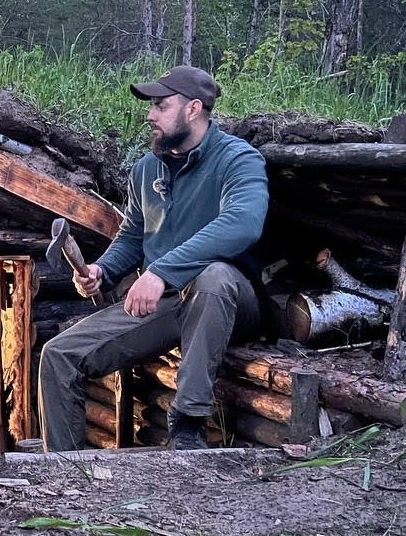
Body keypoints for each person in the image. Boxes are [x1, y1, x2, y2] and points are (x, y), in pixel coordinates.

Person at [37, 65, 269, 451]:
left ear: (193, 109)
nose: (150, 115)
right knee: (58, 355)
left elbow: (242, 224)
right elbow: (132, 236)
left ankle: (189, 424)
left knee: (212, 277)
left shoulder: (239, 159)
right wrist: (103, 270)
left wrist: (161, 271)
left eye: (161, 106)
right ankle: (63, 471)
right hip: (166, 303)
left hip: (229, 301)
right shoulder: (147, 169)